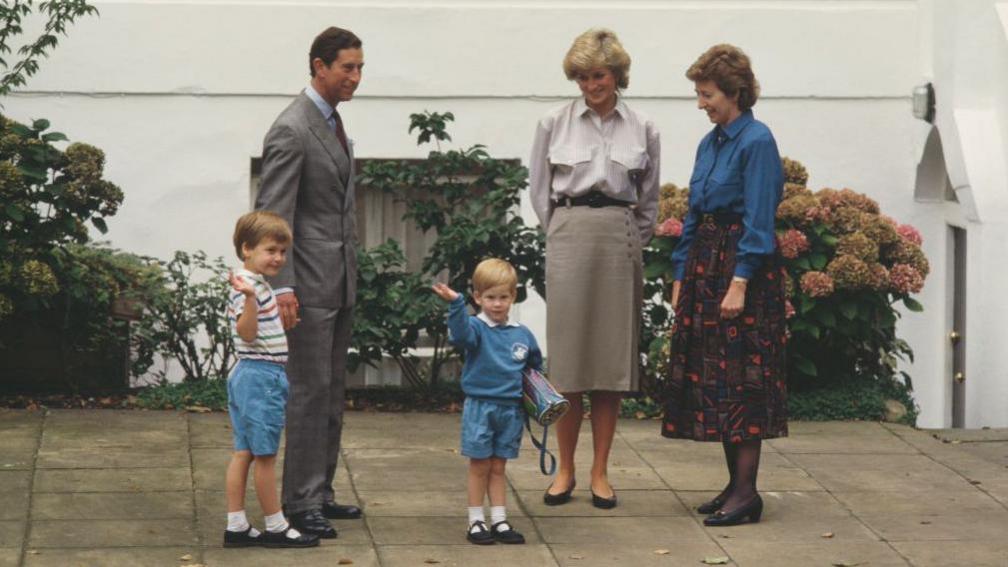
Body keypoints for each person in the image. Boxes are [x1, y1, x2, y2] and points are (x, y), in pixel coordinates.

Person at [528, 28, 660, 509]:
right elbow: (540, 189)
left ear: (617, 74)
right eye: (582, 76)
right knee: (568, 364)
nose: (590, 84)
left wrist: (629, 237)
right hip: (570, 231)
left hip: (619, 237)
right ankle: (565, 470)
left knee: (610, 364)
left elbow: (650, 199)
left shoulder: (643, 126)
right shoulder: (553, 122)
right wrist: (562, 231)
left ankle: (601, 472)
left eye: (598, 75)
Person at [663, 44, 788, 527]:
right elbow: (694, 211)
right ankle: (735, 486)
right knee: (715, 381)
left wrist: (739, 282)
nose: (701, 103)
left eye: (706, 94)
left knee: (743, 382)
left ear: (734, 92)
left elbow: (759, 220)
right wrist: (680, 275)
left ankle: (748, 494)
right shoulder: (711, 142)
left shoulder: (757, 141)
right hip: (704, 266)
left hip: (742, 273)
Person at [255, 26, 364, 538]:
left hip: (338, 284)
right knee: (307, 393)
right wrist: (283, 288)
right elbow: (273, 217)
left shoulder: (333, 124)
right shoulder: (292, 129)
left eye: (359, 67)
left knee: (330, 391)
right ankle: (299, 502)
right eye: (347, 67)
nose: (355, 77)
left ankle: (320, 491)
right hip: (306, 287)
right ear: (319, 66)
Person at [223, 211, 318, 549]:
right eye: (270, 250)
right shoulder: (247, 287)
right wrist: (250, 299)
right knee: (264, 456)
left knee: (244, 452)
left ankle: (236, 525)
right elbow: (246, 334)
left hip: (253, 374)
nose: (278, 258)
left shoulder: (255, 283)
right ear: (246, 248)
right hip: (260, 377)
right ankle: (276, 526)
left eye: (282, 252)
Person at [431, 259, 542, 545]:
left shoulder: (522, 334)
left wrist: (539, 400)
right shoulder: (476, 329)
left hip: (511, 411)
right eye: (490, 297)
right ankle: (476, 521)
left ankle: (500, 520)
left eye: (503, 297)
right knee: (479, 465)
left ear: (512, 297)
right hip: (480, 408)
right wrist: (456, 303)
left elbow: (534, 370)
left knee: (499, 467)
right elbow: (459, 334)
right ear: (477, 297)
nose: (497, 304)